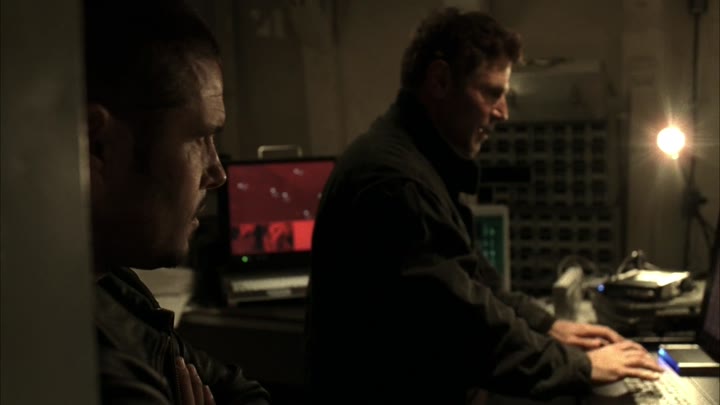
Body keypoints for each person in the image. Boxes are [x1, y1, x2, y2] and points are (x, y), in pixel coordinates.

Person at [305, 8, 663, 404]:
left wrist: (547, 326)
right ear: (440, 81)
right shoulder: (396, 185)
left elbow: (476, 287)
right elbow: (465, 327)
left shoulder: (414, 164)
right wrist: (582, 366)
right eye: (492, 93)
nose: (503, 113)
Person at [84, 0, 270, 403]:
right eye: (200, 138)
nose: (217, 172)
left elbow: (243, 392)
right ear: (98, 146)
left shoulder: (111, 285)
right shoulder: (95, 376)